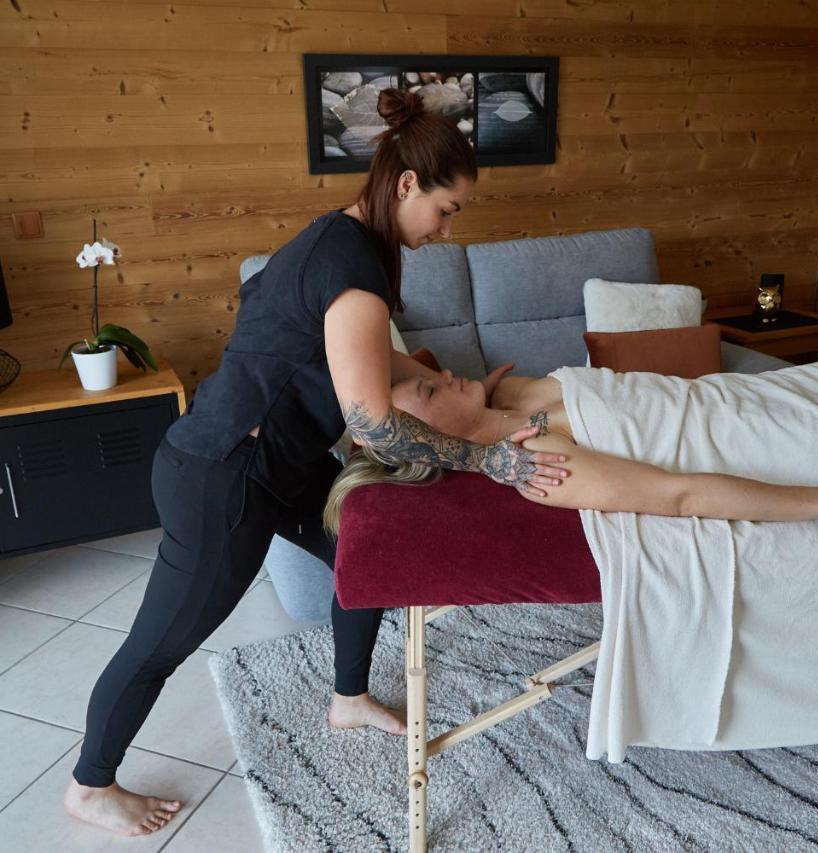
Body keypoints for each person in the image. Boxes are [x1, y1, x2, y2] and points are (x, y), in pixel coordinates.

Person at [63, 87, 569, 836]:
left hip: (282, 463)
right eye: (448, 208)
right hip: (223, 475)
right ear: (406, 185)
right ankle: (89, 782)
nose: (448, 226)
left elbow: (386, 371)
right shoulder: (351, 267)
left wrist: (481, 410)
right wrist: (485, 459)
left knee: (367, 552)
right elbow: (377, 425)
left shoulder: (350, 245)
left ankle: (348, 696)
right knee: (162, 640)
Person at [325, 364, 818, 551]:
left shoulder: (506, 390)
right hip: (762, 439)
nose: (443, 373)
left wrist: (471, 399)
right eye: (430, 388)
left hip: (741, 394)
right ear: (425, 445)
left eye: (429, 374)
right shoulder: (541, 467)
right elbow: (679, 494)